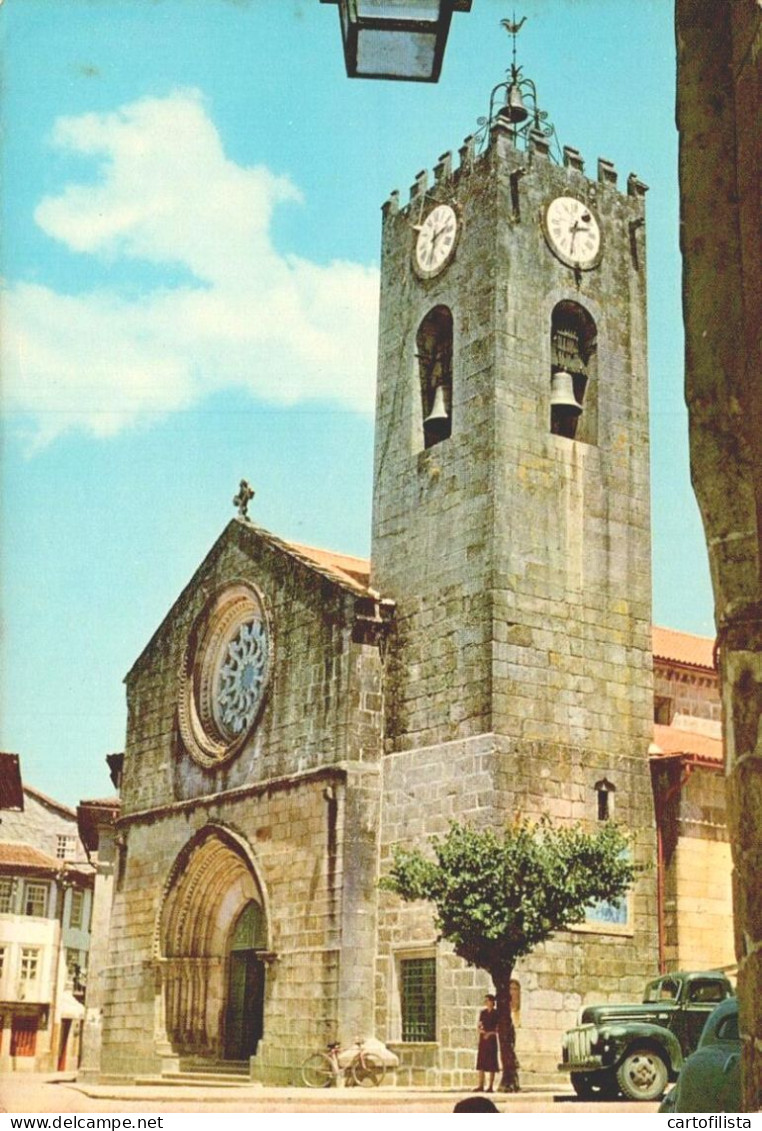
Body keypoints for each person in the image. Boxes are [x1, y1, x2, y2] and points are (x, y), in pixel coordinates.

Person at [475, 993, 500, 1093]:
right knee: (481, 1062)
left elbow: (497, 1029)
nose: (485, 1002)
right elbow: (480, 1024)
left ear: (491, 1002)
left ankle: (490, 1086)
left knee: (492, 1063)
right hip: (483, 1040)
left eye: (487, 1000)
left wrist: (489, 1034)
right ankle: (480, 1085)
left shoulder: (496, 1014)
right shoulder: (483, 1013)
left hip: (491, 1040)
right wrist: (480, 1030)